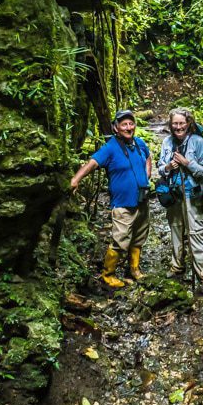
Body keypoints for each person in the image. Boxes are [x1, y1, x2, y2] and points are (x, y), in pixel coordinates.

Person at [70, 110, 152, 288]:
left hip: (142, 200)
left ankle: (134, 269)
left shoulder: (139, 144)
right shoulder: (110, 147)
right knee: (120, 240)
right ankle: (108, 274)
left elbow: (148, 157)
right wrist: (76, 179)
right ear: (116, 128)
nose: (128, 127)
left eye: (131, 124)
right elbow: (92, 163)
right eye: (124, 124)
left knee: (139, 236)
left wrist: (147, 176)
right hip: (123, 203)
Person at [157, 107, 203, 295]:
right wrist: (168, 166)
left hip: (192, 195)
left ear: (188, 123)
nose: (178, 127)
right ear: (171, 124)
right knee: (175, 231)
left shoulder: (197, 142)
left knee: (196, 233)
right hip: (174, 195)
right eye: (175, 123)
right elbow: (159, 168)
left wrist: (187, 163)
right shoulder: (166, 142)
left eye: (182, 123)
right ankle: (177, 267)